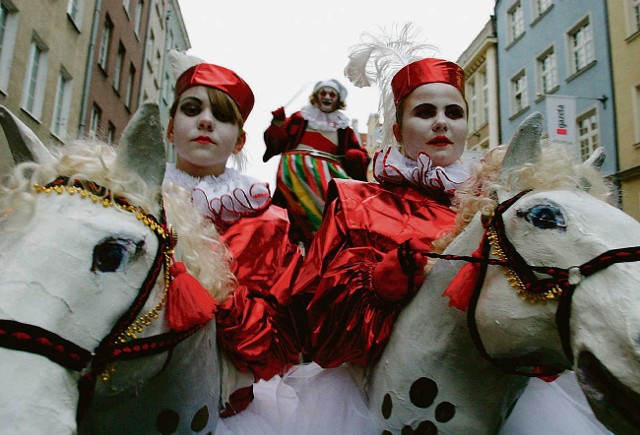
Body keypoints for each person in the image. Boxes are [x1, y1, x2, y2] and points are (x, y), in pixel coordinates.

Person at [162, 50, 302, 417]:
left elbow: (277, 348)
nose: (205, 121)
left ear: (239, 141)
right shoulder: (135, 197)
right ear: (169, 127)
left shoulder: (268, 222)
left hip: (229, 410)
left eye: (222, 116)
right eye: (192, 110)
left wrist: (216, 294)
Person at [263, 79, 370, 249]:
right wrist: (277, 124)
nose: (327, 97)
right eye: (323, 93)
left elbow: (360, 154)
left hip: (327, 177)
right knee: (290, 220)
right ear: (316, 96)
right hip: (294, 172)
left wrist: (354, 156)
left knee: (333, 215)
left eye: (332, 94)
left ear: (338, 99)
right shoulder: (300, 118)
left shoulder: (343, 127)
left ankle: (324, 246)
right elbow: (277, 144)